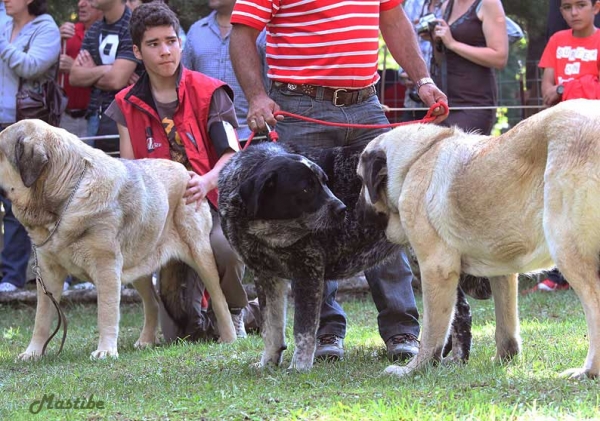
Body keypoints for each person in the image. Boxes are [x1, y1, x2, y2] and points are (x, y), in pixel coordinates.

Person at [230, 0, 448, 361]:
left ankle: (402, 331)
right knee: (311, 225)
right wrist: (256, 96)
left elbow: (392, 19)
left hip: (365, 102)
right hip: (299, 106)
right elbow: (242, 33)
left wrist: (422, 80)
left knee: (389, 212)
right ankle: (326, 332)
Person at [104, 1, 253, 339]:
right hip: (161, 214)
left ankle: (237, 311)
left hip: (210, 201)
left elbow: (232, 153)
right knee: (181, 331)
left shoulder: (210, 91)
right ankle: (209, 314)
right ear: (138, 52)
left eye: (171, 41)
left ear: (180, 42)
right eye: (154, 44)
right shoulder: (125, 105)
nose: (165, 51)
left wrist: (206, 181)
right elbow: (130, 171)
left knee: (225, 248)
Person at [523, 0, 600, 295]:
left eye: (581, 5)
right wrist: (585, 83)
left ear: (596, 7)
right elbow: (547, 93)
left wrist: (567, 87)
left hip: (594, 133)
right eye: (567, 7)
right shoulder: (557, 41)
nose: (573, 13)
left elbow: (559, 89)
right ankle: (559, 273)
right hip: (563, 136)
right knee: (561, 202)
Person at [0, 0, 59, 293]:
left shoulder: (46, 27)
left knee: (19, 201)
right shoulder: (4, 24)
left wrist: (2, 45)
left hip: (22, 130)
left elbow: (33, 65)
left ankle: (12, 276)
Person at [182, 0, 266, 141]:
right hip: (207, 138)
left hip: (254, 134)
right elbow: (184, 85)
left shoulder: (262, 32)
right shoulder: (196, 32)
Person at [69, 0, 143, 152]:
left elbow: (116, 80)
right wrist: (107, 69)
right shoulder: (94, 29)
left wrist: (92, 72)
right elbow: (74, 77)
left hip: (127, 119)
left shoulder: (133, 27)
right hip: (95, 117)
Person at [430, 0, 508, 135]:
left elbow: (500, 57)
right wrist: (436, 41)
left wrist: (453, 43)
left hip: (474, 104)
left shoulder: (489, 3)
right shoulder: (446, 5)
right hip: (445, 103)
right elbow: (441, 59)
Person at [58, 0, 103, 139]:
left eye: (88, 0)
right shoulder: (69, 31)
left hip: (94, 117)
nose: (81, 4)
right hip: (65, 116)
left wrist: (74, 68)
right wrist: (55, 39)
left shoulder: (110, 36)